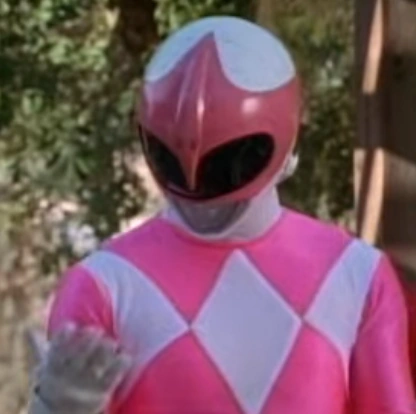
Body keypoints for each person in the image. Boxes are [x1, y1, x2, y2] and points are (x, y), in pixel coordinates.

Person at [28, 16, 415, 414]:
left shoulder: (359, 275)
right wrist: (56, 407)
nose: (203, 200)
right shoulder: (102, 285)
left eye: (227, 165)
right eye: (172, 159)